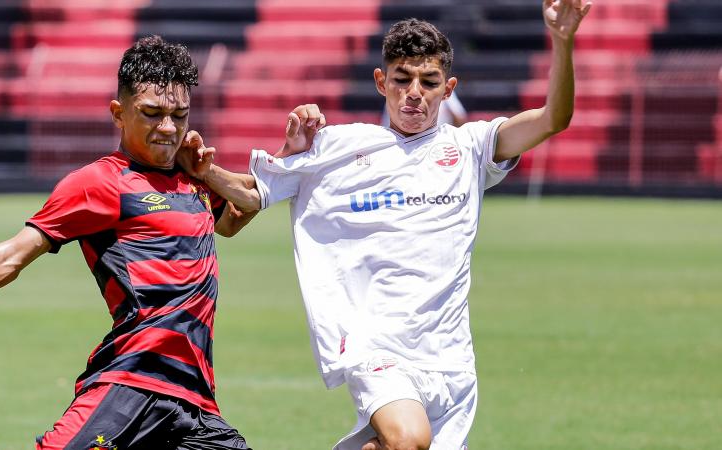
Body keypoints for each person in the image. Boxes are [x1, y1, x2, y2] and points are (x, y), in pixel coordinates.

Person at [0, 35, 322, 450]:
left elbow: (235, 217)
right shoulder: (98, 183)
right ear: (118, 113)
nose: (168, 129)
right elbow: (11, 257)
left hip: (195, 398)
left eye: (179, 115)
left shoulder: (191, 175)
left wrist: (283, 156)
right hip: (133, 380)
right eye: (152, 114)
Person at [180, 1, 591, 449]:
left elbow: (554, 118)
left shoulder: (471, 148)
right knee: (408, 439)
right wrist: (206, 171)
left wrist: (562, 41)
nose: (414, 92)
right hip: (374, 348)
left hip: (450, 361)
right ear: (381, 82)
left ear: (448, 89)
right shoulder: (337, 146)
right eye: (402, 79)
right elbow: (253, 195)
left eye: (429, 82)